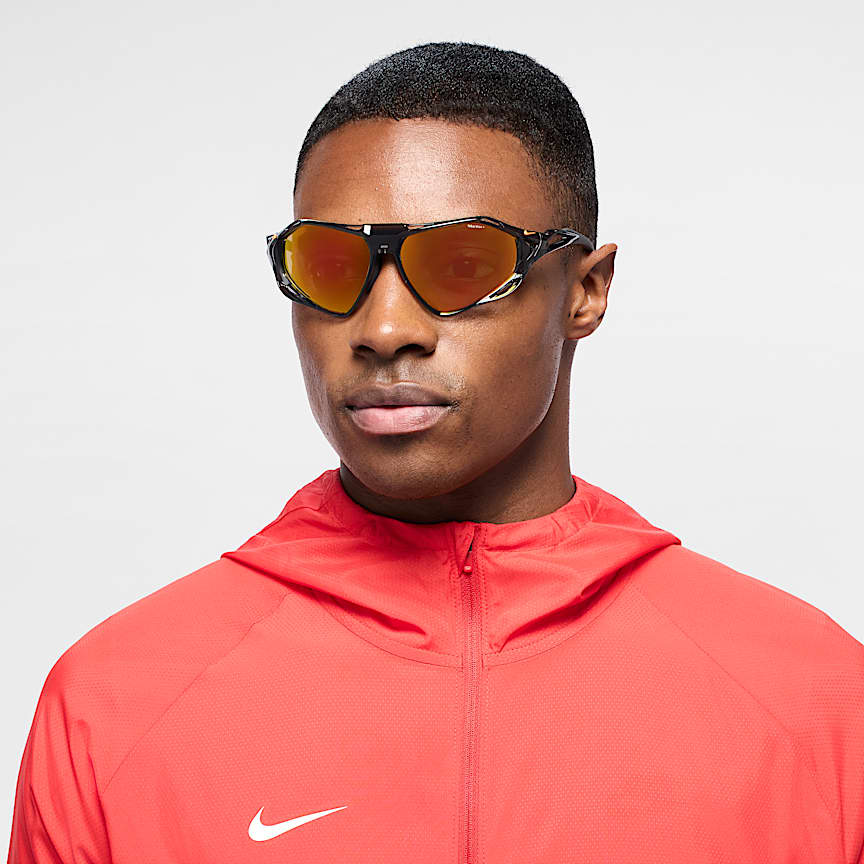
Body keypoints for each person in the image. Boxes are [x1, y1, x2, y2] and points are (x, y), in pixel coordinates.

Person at [7, 41, 864, 864]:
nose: (384, 329)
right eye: (331, 266)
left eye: (461, 264)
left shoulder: (816, 701)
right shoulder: (118, 701)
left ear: (586, 291)